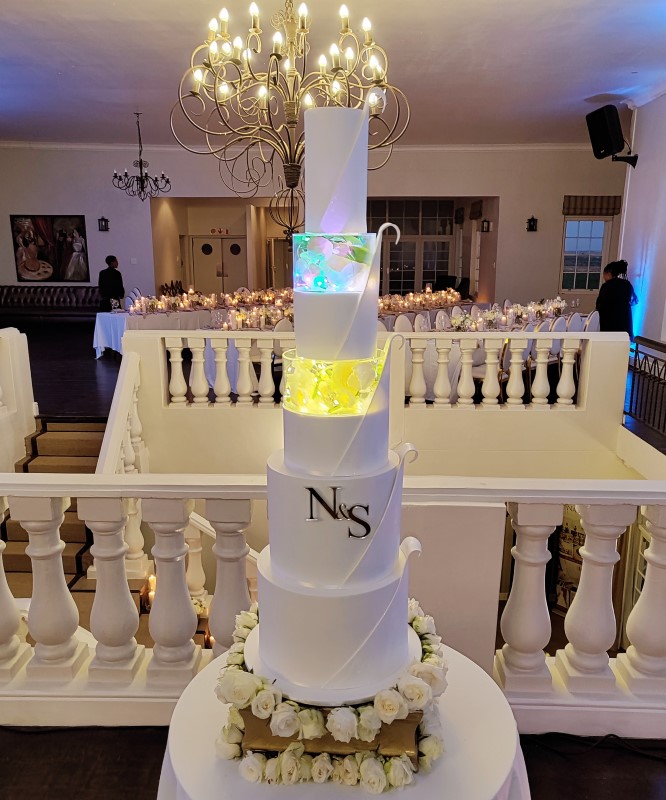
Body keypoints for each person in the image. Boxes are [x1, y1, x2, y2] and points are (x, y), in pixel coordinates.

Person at [595, 259, 637, 338]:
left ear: (608, 273)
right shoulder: (627, 284)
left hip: (609, 324)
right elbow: (633, 301)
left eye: (604, 274)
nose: (603, 277)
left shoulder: (606, 286)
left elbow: (600, 305)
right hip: (625, 324)